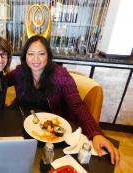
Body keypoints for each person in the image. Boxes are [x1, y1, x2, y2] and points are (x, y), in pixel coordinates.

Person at [7, 35, 120, 166]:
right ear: (25, 56)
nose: (35, 59)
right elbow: (1, 83)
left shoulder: (61, 76)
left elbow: (77, 105)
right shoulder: (20, 71)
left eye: (41, 54)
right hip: (23, 125)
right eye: (30, 54)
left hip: (51, 132)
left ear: (48, 56)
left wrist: (96, 133)